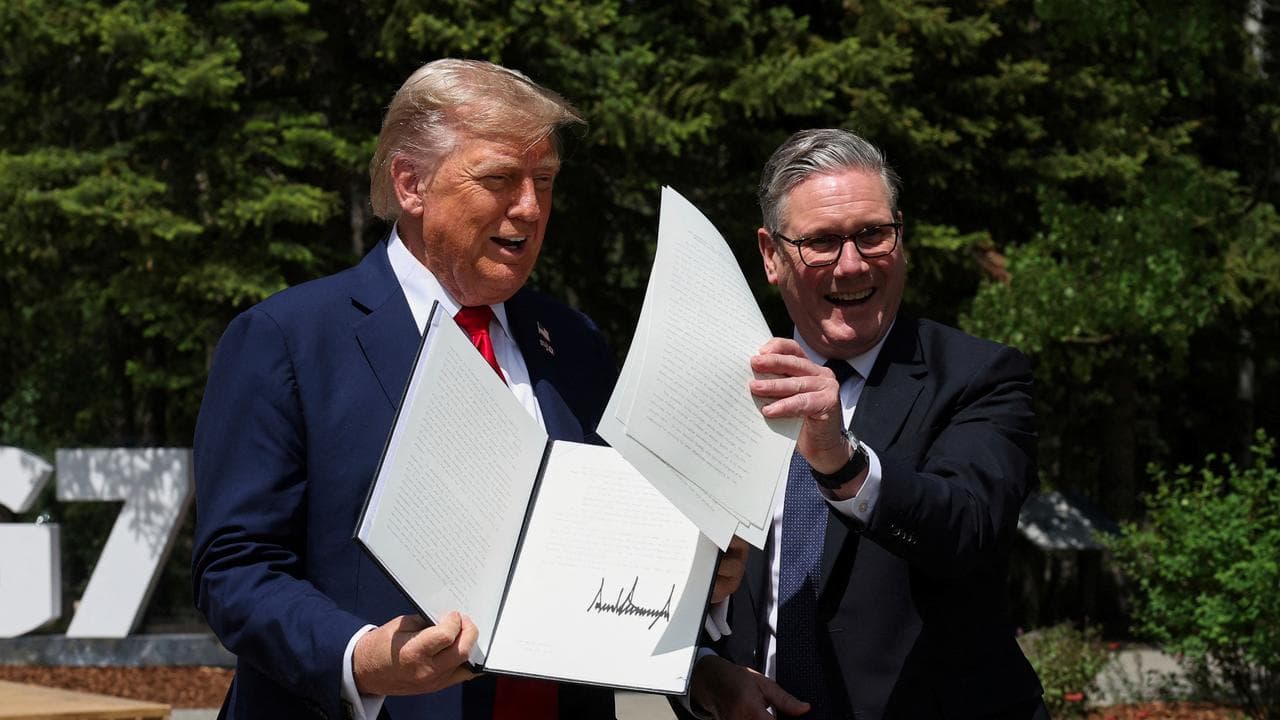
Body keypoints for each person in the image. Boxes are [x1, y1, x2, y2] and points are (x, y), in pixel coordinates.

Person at [191, 59, 620, 720]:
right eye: (501, 178)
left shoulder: (574, 344)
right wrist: (358, 657)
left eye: (544, 181)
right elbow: (235, 570)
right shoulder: (287, 339)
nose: (531, 208)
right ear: (412, 183)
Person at [686, 129, 1047, 719]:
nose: (851, 266)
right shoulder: (721, 389)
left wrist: (841, 461)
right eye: (822, 242)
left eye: (873, 235)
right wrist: (705, 676)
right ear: (772, 256)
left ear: (901, 236)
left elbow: (966, 528)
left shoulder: (980, 376)